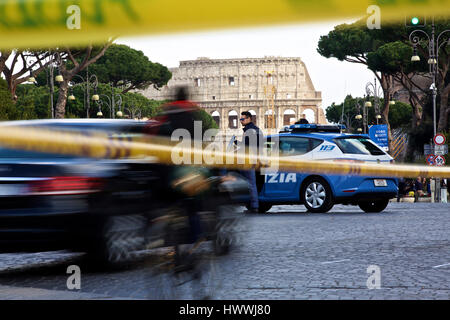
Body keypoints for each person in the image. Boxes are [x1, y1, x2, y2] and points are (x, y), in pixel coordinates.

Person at [238, 111, 263, 213]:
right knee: (251, 183)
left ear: (249, 119)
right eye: (240, 119)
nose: (241, 121)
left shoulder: (249, 131)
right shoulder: (257, 130)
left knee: (251, 184)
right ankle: (253, 205)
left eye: (242, 119)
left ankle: (254, 206)